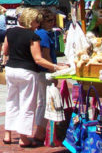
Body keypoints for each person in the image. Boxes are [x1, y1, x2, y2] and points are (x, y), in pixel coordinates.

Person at [1, 8, 67, 147]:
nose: (38, 24)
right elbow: (38, 59)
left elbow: (5, 50)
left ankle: (7, 134)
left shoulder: (10, 31)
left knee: (11, 101)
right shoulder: (33, 36)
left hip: (11, 69)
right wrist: (57, 67)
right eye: (37, 21)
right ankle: (23, 138)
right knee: (27, 104)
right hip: (27, 72)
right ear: (31, 21)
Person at [33, 8, 58, 144]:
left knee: (42, 101)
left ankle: (41, 131)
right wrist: (54, 71)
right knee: (45, 101)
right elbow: (46, 55)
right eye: (49, 20)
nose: (52, 23)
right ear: (42, 22)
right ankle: (40, 132)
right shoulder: (44, 35)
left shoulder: (40, 33)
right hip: (45, 71)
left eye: (53, 20)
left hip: (40, 71)